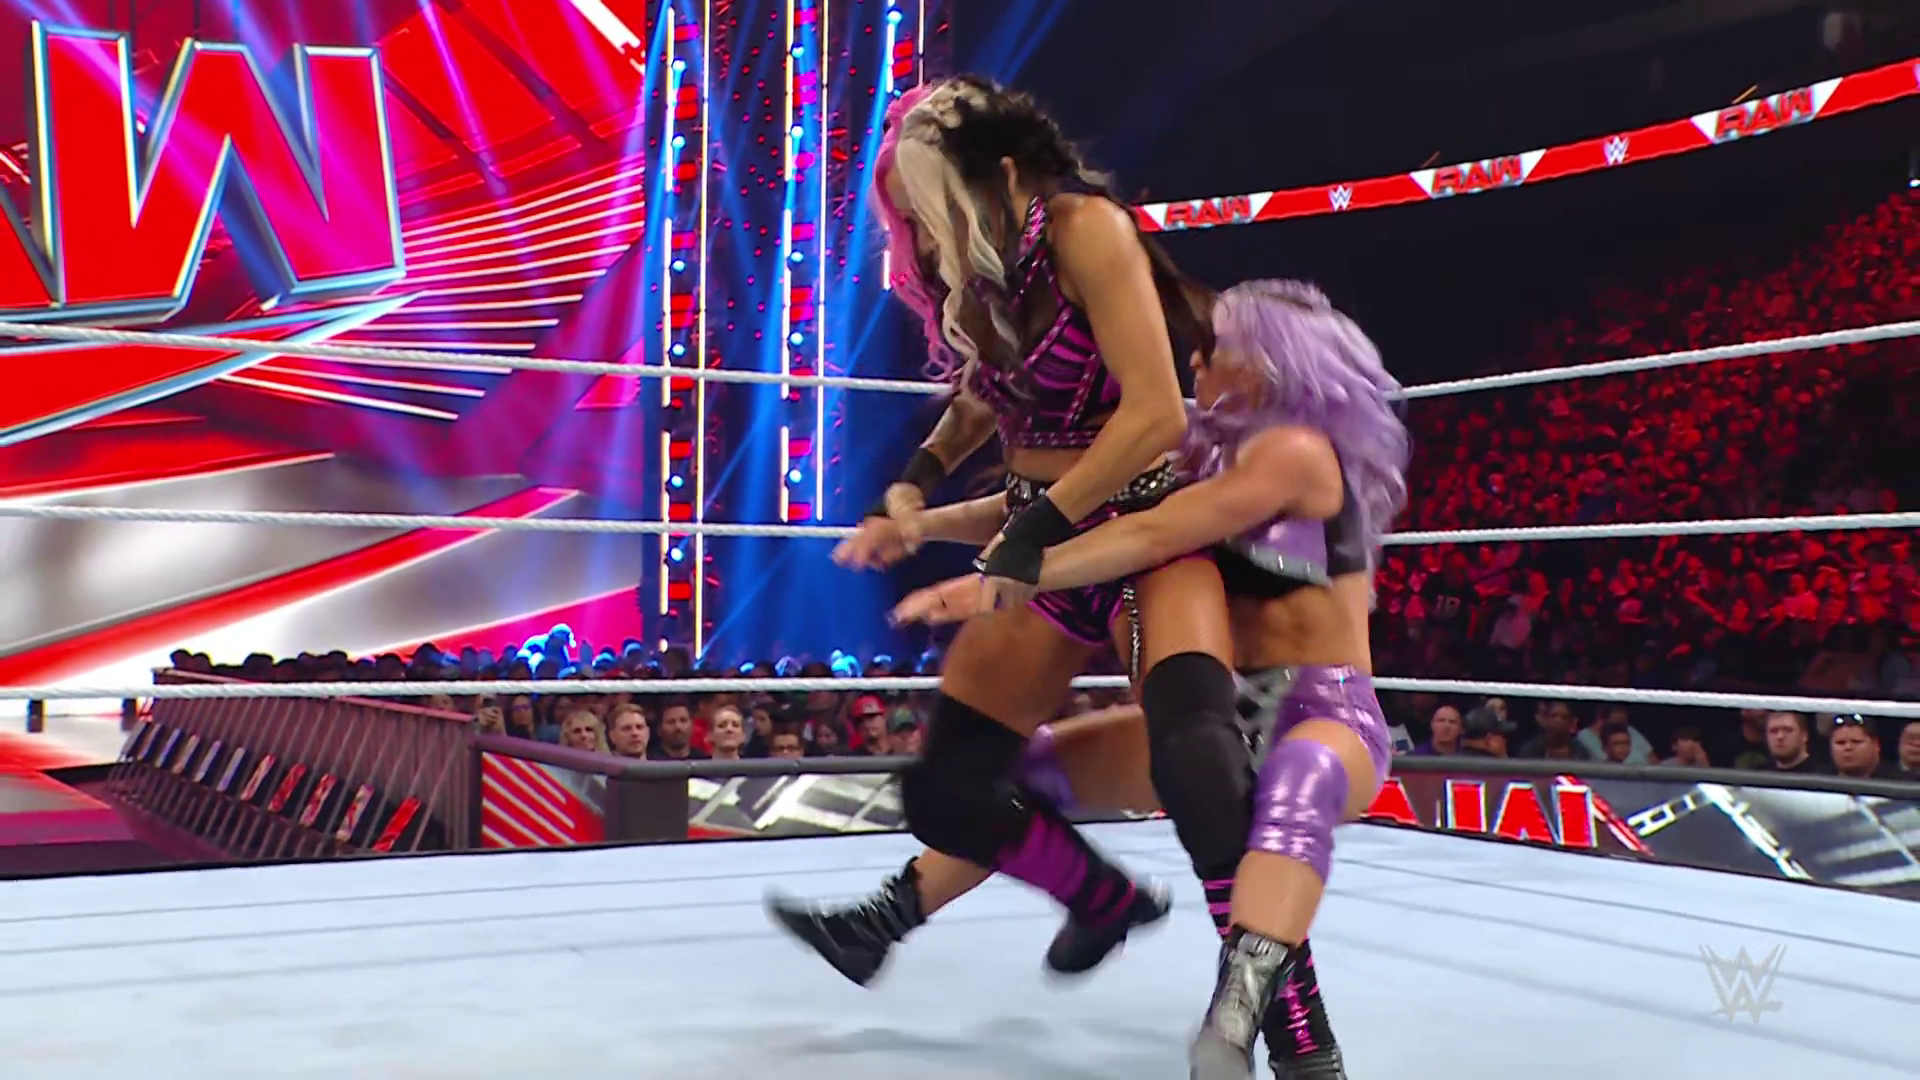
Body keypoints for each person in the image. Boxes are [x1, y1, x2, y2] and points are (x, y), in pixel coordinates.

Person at [776, 279, 1407, 1080]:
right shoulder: (1196, 452)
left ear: (1266, 364)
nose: (1193, 363)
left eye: (1213, 351)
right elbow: (1069, 507)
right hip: (1238, 707)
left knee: (1295, 783)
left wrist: (1006, 578)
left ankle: (1278, 1034)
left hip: (1323, 712)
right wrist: (924, 526)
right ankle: (893, 918)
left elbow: (1158, 530)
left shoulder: (1294, 451)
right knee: (1018, 776)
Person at [831, 74, 1251, 976]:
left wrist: (1032, 532)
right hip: (1039, 530)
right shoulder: (985, 269)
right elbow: (989, 391)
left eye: (932, 211)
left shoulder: (1085, 229)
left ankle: (1280, 1003)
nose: (923, 238)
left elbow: (1156, 412)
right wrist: (912, 483)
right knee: (946, 791)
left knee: (1199, 762)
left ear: (1005, 174)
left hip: (1140, 528)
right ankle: (1101, 898)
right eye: (911, 221)